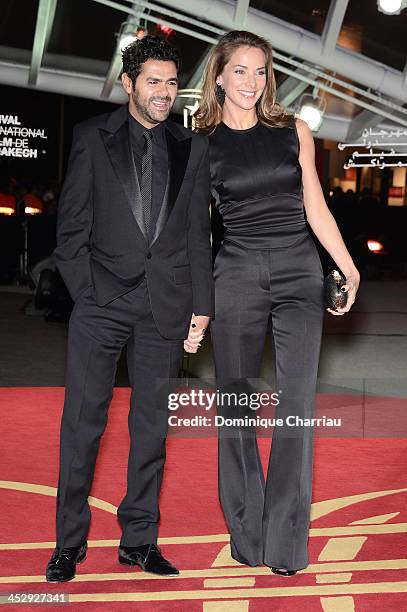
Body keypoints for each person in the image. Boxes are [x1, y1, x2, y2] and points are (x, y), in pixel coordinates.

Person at [46, 35, 214, 583]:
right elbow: (70, 229)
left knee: (151, 430)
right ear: (128, 85)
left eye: (171, 83)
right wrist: (88, 292)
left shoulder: (193, 146)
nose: (164, 93)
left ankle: (139, 540)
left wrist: (201, 307)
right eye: (153, 83)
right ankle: (68, 544)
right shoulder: (92, 137)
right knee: (82, 426)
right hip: (103, 304)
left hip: (165, 307)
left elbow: (197, 234)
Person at [192, 30, 360, 576]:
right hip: (235, 271)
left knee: (297, 403)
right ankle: (247, 532)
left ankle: (287, 543)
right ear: (218, 76)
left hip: (297, 269)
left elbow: (314, 201)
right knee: (235, 403)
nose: (250, 81)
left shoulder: (294, 130)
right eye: (238, 70)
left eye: (260, 71)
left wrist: (346, 264)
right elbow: (196, 230)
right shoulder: (201, 141)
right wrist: (196, 303)